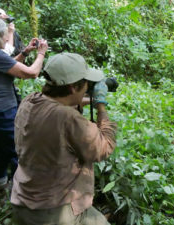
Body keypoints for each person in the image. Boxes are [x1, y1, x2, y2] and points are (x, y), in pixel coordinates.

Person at [11, 53, 117, 225]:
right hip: (54, 211)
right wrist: (100, 105)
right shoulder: (69, 119)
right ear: (72, 88)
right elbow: (104, 147)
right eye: (85, 84)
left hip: (23, 202)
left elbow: (57, 107)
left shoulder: (29, 101)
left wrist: (83, 100)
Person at [0, 15, 48, 189]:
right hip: (0, 112)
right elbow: (31, 73)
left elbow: (8, 66)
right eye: (4, 34)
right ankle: (20, 190)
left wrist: (25, 52)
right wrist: (41, 53)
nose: (7, 37)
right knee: (18, 148)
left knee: (1, 145)